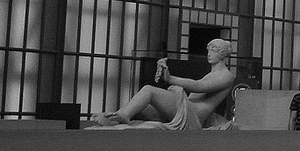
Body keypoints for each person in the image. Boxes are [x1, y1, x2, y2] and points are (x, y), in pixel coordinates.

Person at [90, 39, 236, 129]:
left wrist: (170, 79)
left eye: (214, 50)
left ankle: (123, 115)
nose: (209, 53)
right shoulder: (212, 74)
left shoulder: (226, 76)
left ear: (222, 53)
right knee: (145, 108)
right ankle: (115, 118)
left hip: (194, 113)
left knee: (149, 91)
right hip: (188, 106)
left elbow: (198, 86)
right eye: (209, 50)